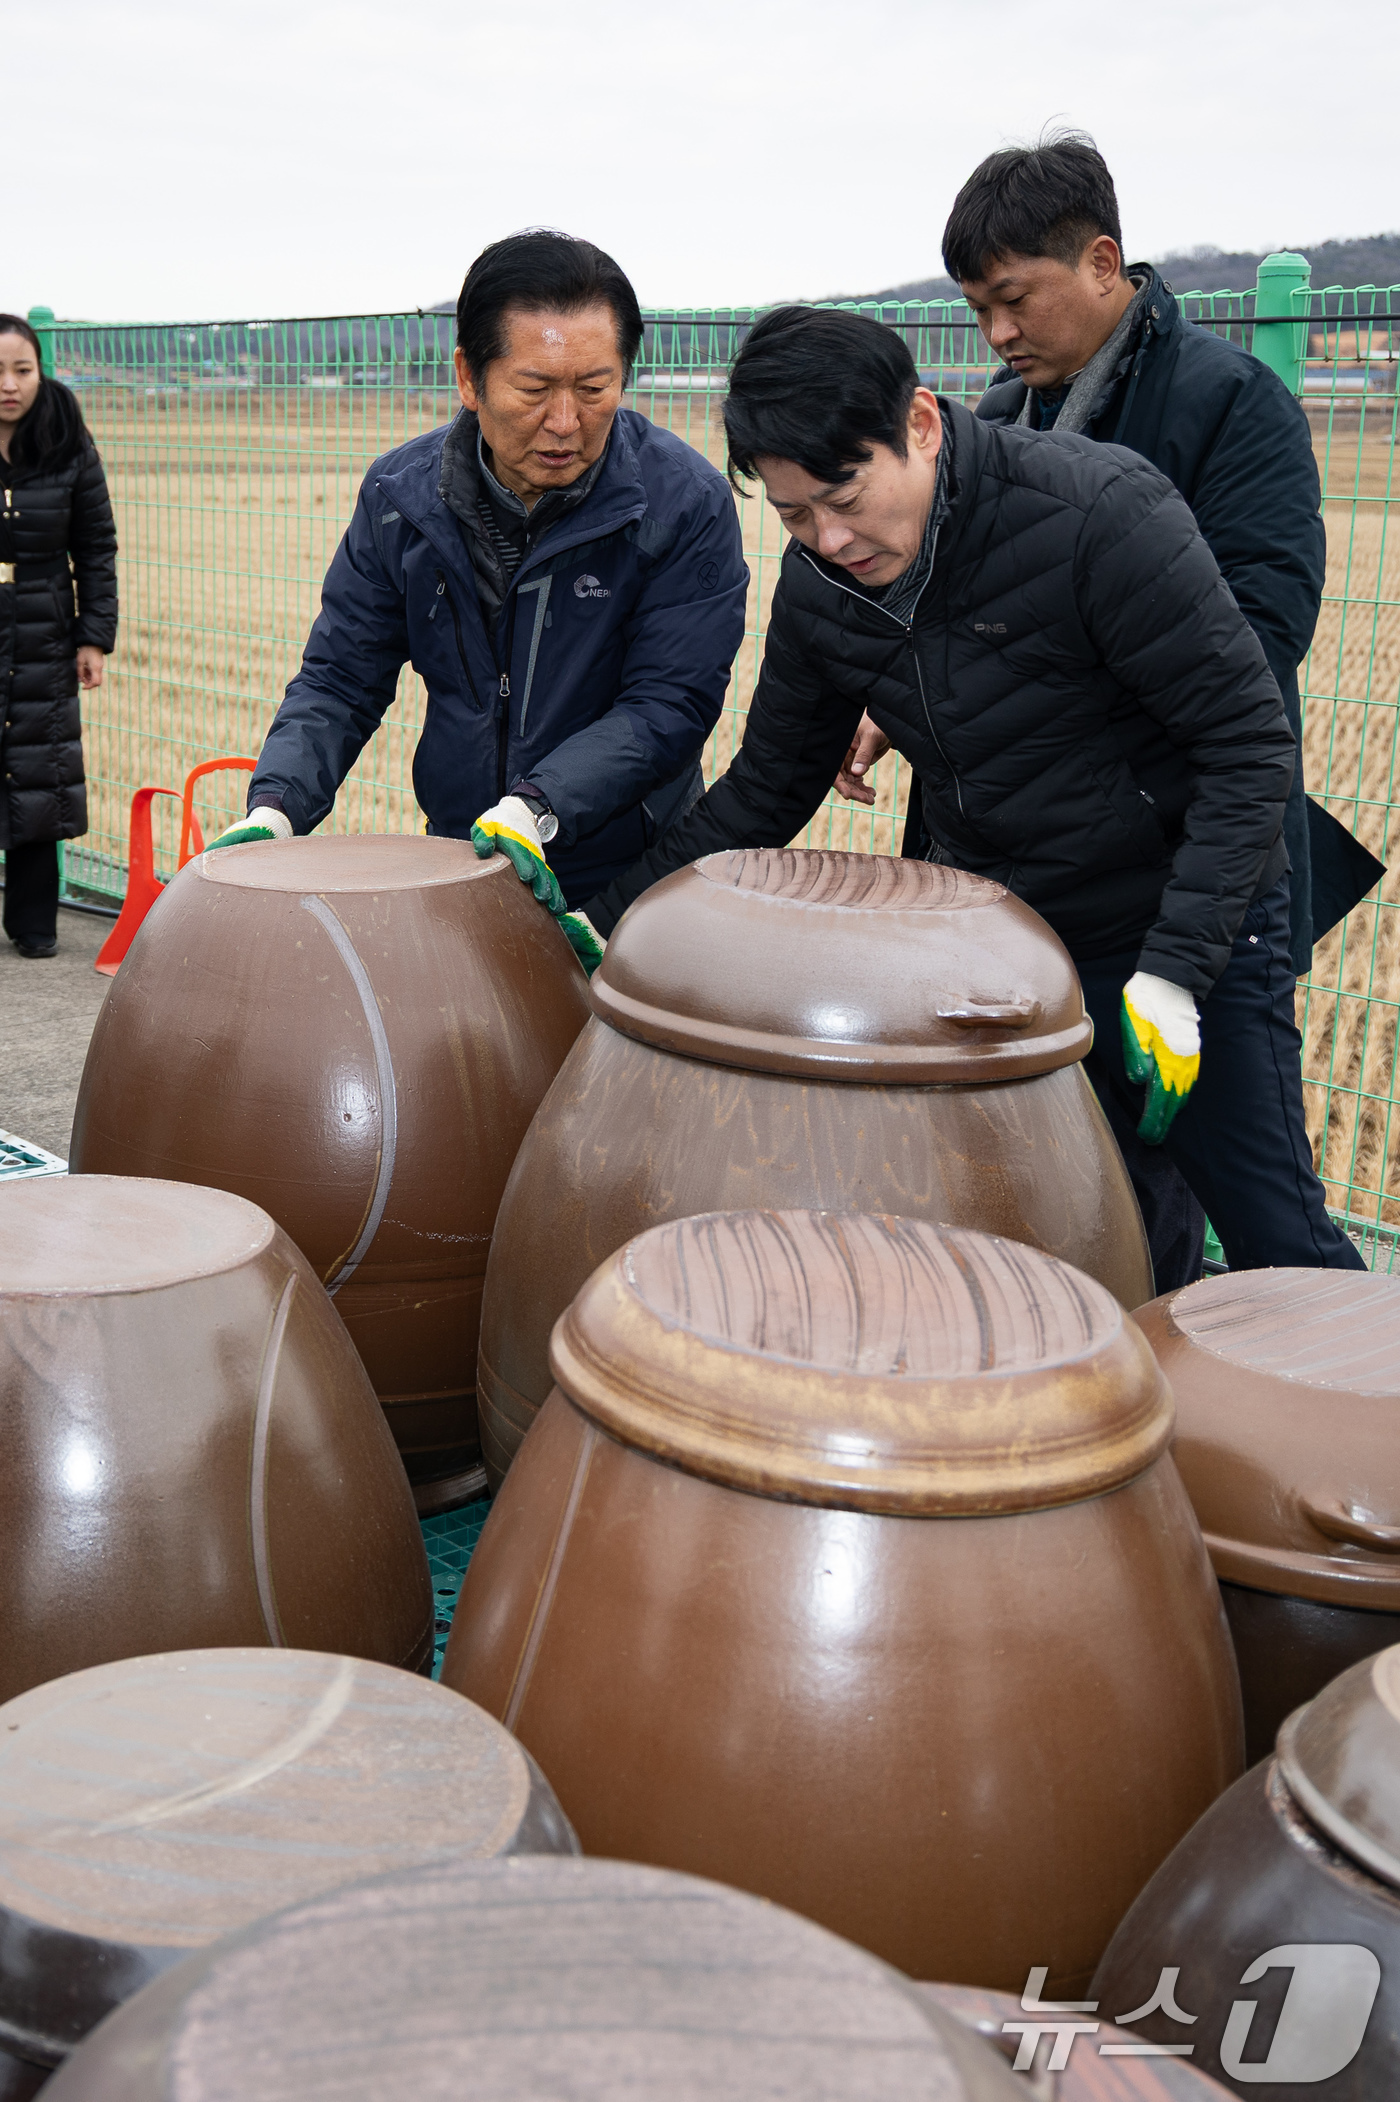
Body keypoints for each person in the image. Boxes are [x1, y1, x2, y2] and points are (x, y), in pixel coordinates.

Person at [582, 305, 1364, 1279]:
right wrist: (609, 916)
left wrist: (1173, 971)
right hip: (1012, 943)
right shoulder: (820, 587)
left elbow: (1246, 746)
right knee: (1075, 1245)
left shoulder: (1094, 514)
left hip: (1183, 918)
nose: (828, 537)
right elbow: (762, 790)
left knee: (1277, 1241)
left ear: (916, 424)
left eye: (842, 493)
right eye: (790, 514)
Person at [833, 134, 1370, 1284]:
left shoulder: (1231, 406)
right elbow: (945, 615)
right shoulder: (990, 420)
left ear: (1100, 261)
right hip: (1035, 889)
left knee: (1270, 1220)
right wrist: (900, 699)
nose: (997, 335)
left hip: (1196, 884)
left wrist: (1009, 679)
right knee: (1104, 1212)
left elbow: (1259, 632)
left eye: (1012, 299)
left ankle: (1351, 1435)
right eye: (977, 309)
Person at [213, 232, 747, 958]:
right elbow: (342, 676)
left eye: (594, 389)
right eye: (534, 390)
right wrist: (276, 805)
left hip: (627, 868)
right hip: (462, 856)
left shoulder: (683, 504)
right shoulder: (401, 500)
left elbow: (668, 704)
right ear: (469, 377)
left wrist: (541, 806)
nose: (566, 422)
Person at [0, 315, 117, 959]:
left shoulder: (67, 441)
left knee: (39, 771)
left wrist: (93, 635)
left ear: (40, 373)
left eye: (22, 369)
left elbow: (95, 544)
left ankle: (34, 924)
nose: (10, 385)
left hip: (44, 627)